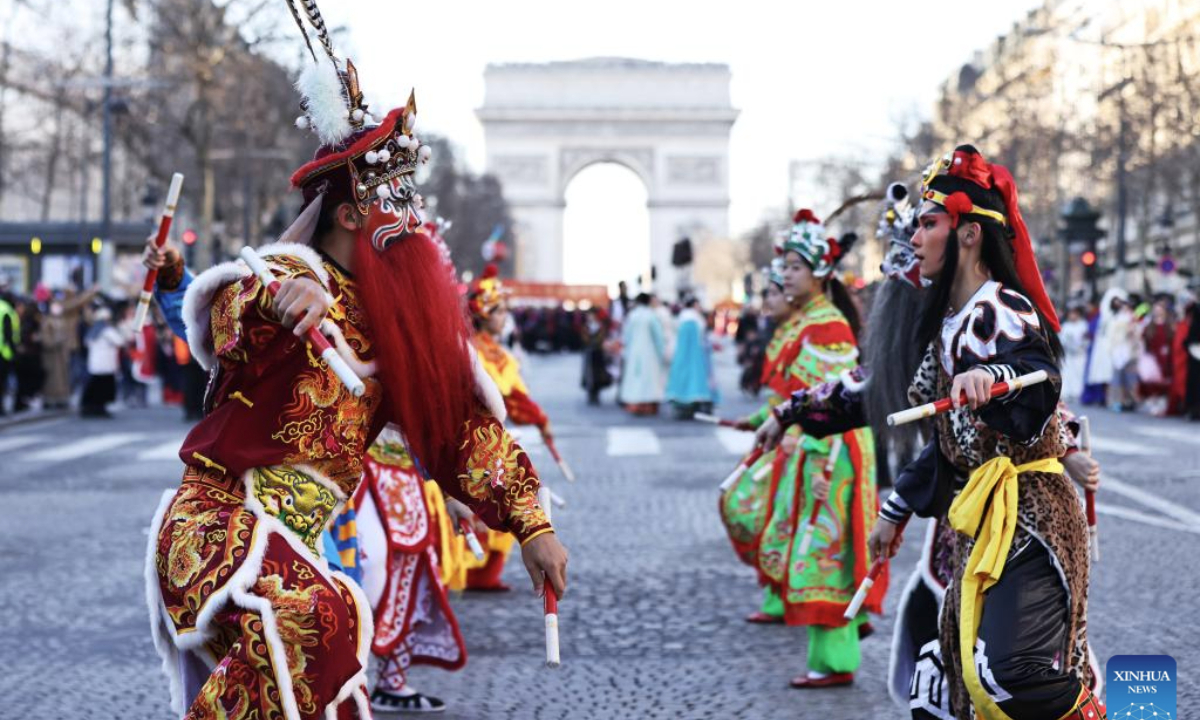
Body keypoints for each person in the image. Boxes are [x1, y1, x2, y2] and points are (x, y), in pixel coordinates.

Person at [144, 14, 568, 719]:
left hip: (297, 540)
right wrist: (277, 302)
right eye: (395, 200)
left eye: (413, 199)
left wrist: (533, 524)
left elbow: (461, 431)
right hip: (219, 521)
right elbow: (228, 316)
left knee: (335, 683)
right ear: (346, 215)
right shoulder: (286, 273)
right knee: (322, 619)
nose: (415, 220)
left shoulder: (397, 324)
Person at [866, 146, 1101, 719]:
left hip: (1030, 520)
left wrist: (993, 376)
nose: (916, 239)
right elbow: (947, 443)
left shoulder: (1001, 307)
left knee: (1008, 675)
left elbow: (1039, 377)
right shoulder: (947, 324)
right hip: (979, 521)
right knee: (945, 685)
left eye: (928, 224)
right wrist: (893, 513)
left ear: (969, 234)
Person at [749, 211, 882, 689]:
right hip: (809, 446)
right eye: (783, 266)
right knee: (818, 549)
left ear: (820, 274)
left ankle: (835, 660)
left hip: (831, 450)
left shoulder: (827, 326)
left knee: (827, 551)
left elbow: (834, 404)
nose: (785, 275)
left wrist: (821, 463)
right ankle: (834, 650)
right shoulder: (810, 320)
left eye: (795, 267)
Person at [462, 263, 556, 592]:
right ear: (484, 313)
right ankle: (468, 571)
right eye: (499, 310)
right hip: (467, 440)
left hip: (491, 439)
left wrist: (539, 419)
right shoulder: (470, 350)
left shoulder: (499, 354)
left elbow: (516, 398)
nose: (505, 317)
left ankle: (484, 574)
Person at [665, 297, 719, 417]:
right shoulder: (693, 319)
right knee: (695, 379)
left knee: (684, 379)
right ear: (694, 305)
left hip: (684, 355)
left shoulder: (684, 318)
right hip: (695, 355)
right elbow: (696, 341)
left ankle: (685, 405)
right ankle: (692, 404)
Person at [617, 293, 667, 415]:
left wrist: (626, 350)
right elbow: (659, 337)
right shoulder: (651, 316)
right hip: (650, 353)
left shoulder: (632, 316)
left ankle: (635, 404)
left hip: (634, 352)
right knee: (650, 379)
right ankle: (649, 405)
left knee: (635, 378)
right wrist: (661, 353)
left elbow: (626, 336)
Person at [81, 305, 127, 418]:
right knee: (103, 390)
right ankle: (100, 408)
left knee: (94, 388)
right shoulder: (107, 330)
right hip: (106, 365)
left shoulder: (93, 330)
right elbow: (120, 341)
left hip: (95, 365)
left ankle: (91, 407)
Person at [1138, 298, 1173, 415]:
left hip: (1166, 357)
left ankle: (1163, 404)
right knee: (1152, 382)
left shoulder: (1169, 325)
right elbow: (1143, 339)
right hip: (1153, 358)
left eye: (1160, 309)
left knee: (1165, 380)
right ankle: (1153, 402)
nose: (1157, 312)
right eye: (1156, 309)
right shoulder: (1149, 326)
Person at [1060, 305, 1089, 403]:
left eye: (1074, 314)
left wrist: (1080, 347)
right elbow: (1062, 339)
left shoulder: (1083, 325)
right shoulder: (1066, 326)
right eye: (1070, 314)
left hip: (1080, 355)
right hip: (1068, 354)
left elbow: (1086, 339)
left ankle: (1078, 393)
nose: (1072, 316)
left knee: (1078, 374)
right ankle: (1066, 393)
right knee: (1068, 373)